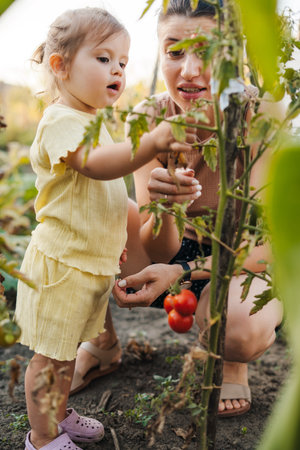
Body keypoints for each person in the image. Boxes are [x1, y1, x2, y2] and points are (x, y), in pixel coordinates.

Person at [71, 0, 283, 418]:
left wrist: (183, 273)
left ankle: (229, 356)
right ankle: (101, 342)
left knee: (238, 328)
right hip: (173, 258)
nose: (188, 70)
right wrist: (168, 210)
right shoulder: (150, 119)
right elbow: (162, 250)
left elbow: (264, 249)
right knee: (88, 210)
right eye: (175, 51)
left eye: (206, 51)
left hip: (242, 262)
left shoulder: (262, 119)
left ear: (233, 55)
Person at [15, 7, 197, 450]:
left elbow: (99, 200)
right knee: (50, 360)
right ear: (60, 66)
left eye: (123, 62)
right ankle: (42, 438)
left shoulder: (90, 121)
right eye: (103, 58)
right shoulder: (61, 120)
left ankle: (57, 418)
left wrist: (112, 243)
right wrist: (150, 142)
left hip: (84, 263)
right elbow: (94, 167)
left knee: (67, 350)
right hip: (60, 268)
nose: (117, 69)